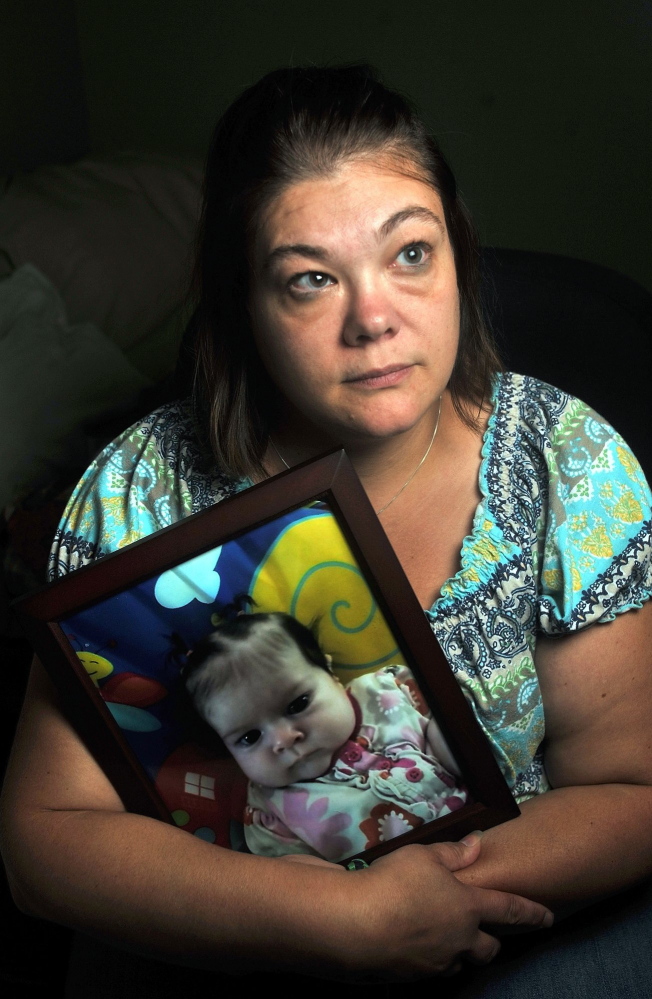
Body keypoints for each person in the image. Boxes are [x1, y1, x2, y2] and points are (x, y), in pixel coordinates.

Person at [1, 64, 651, 995]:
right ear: (243, 306)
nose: (375, 318)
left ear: (458, 253)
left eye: (411, 253)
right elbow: (44, 842)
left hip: (515, 936)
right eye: (310, 279)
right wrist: (333, 918)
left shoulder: (568, 464)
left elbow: (630, 790)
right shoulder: (139, 488)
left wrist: (421, 904)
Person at [182, 610, 466, 862]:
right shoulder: (273, 816)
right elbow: (309, 891)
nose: (284, 739)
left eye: (298, 704)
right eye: (249, 738)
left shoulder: (388, 690)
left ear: (330, 673)